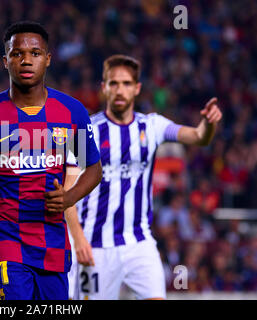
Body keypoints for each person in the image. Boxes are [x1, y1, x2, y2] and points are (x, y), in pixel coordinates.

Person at [0, 21, 102, 300]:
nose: (26, 60)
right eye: (17, 54)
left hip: (53, 245)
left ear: (47, 59)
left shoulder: (71, 112)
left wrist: (69, 197)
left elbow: (94, 169)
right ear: (5, 61)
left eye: (35, 53)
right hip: (5, 240)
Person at [65, 54, 222, 300]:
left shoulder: (152, 126)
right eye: (113, 83)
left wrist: (208, 123)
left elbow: (198, 137)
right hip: (94, 245)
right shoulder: (87, 132)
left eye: (126, 84)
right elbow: (68, 193)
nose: (120, 90)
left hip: (139, 243)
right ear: (104, 88)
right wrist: (78, 239)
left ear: (137, 89)